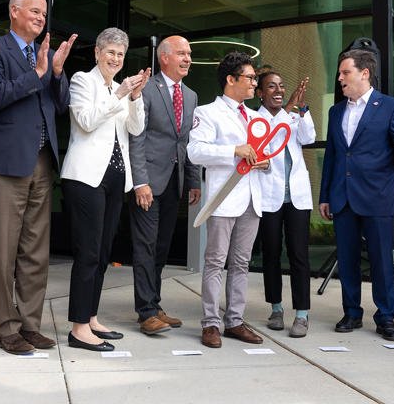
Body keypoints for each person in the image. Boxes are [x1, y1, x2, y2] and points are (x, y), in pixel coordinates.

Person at [0, 0, 77, 355]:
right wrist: (37, 73)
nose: (40, 17)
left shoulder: (48, 54)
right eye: (34, 11)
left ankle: (30, 325)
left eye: (43, 14)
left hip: (42, 160)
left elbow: (62, 104)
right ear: (14, 11)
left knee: (36, 251)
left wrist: (54, 72)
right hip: (6, 162)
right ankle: (6, 329)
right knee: (5, 252)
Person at [319, 50, 394, 342]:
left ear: (364, 74)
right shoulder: (335, 110)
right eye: (340, 73)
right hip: (342, 197)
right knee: (348, 258)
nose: (340, 78)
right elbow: (332, 155)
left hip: (378, 197)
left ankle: (386, 317)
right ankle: (352, 312)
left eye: (345, 73)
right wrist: (325, 196)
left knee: (381, 260)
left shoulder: (391, 107)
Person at [61, 28, 150, 352]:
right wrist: (119, 95)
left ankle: (91, 317)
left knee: (101, 254)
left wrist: (135, 96)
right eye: (110, 52)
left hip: (115, 179)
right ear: (98, 52)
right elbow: (85, 121)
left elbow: (136, 128)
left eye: (121, 55)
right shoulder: (83, 81)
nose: (115, 59)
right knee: (87, 253)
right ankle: (78, 328)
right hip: (86, 177)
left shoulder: (121, 88)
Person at [188, 51, 270, 349]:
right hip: (224, 199)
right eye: (249, 77)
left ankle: (235, 321)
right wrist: (234, 150)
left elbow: (264, 153)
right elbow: (195, 152)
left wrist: (264, 162)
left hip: (252, 199)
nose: (254, 83)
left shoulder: (257, 116)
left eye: (254, 77)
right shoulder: (207, 113)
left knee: (241, 263)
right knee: (215, 262)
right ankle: (210, 323)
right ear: (230, 79)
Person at [128, 35, 201, 335]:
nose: (188, 58)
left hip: (175, 183)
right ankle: (145, 312)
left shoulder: (192, 96)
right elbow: (137, 137)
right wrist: (140, 181)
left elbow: (187, 142)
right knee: (144, 246)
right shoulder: (147, 89)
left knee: (161, 247)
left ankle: (154, 305)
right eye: (182, 53)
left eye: (190, 54)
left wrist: (194, 179)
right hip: (148, 183)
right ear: (164, 58)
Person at [255, 71, 315, 338]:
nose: (278, 90)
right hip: (269, 196)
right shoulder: (254, 119)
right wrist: (289, 106)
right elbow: (266, 138)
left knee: (299, 255)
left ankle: (301, 315)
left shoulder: (293, 117)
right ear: (260, 93)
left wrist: (301, 108)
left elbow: (309, 138)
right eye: (271, 86)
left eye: (281, 85)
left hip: (297, 198)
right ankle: (276, 308)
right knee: (271, 254)